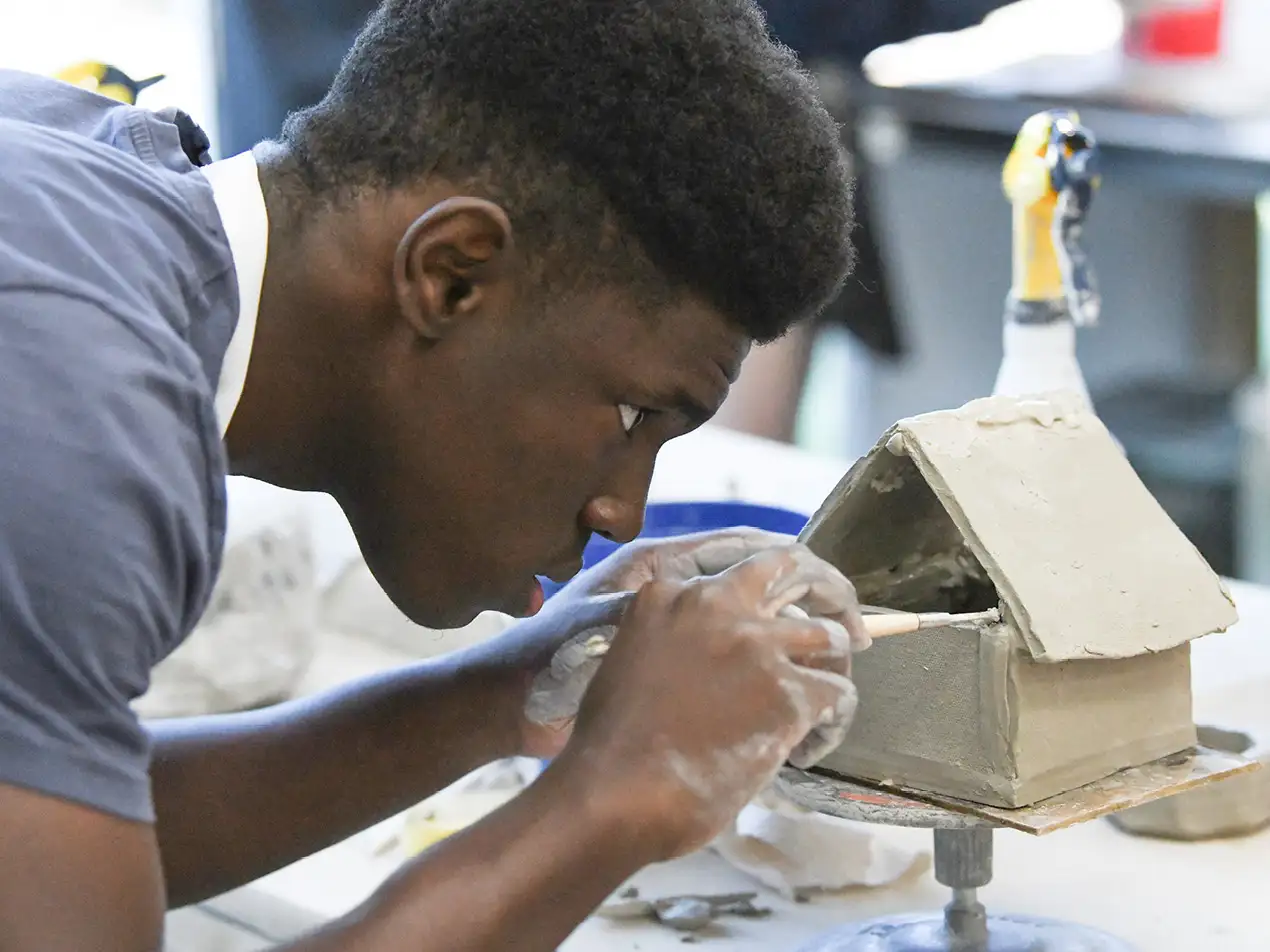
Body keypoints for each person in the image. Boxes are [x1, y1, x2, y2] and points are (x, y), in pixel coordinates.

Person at [0, 1, 867, 949]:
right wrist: (614, 801)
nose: (622, 514)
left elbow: (61, 837)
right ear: (451, 275)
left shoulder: (82, 195)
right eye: (631, 417)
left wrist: (509, 693)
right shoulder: (72, 403)